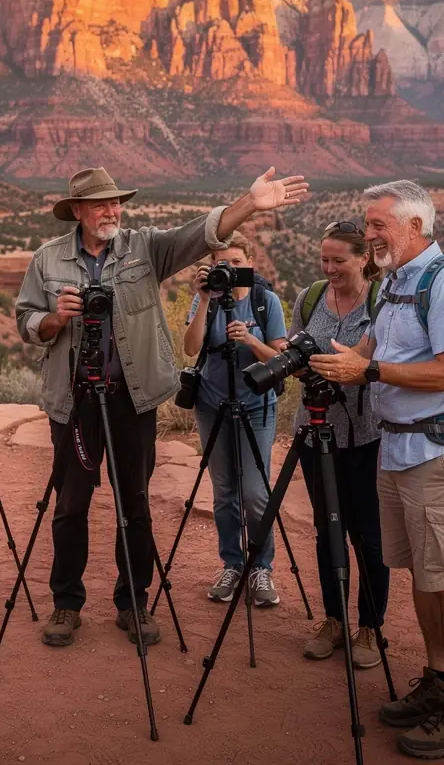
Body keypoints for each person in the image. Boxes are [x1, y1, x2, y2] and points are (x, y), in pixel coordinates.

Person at [15, 165, 308, 649]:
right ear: (79, 212)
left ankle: (133, 602)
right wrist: (52, 319)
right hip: (75, 402)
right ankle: (66, 604)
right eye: (102, 204)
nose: (113, 211)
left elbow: (201, 233)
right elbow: (27, 320)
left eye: (117, 203)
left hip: (133, 399)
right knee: (70, 505)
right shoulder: (47, 260)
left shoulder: (144, 247)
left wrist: (249, 204)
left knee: (135, 504)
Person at [311, 180, 444, 760]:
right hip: (399, 450)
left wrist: (370, 374)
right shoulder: (394, 285)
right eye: (368, 225)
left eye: (378, 225)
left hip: (441, 453)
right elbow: (368, 351)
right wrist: (324, 361)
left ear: (415, 226)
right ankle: (437, 684)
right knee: (420, 573)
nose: (369, 235)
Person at [290, 220, 389, 670]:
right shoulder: (309, 299)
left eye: (339, 260)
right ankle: (333, 620)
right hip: (314, 431)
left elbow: (389, 362)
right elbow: (292, 350)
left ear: (363, 257)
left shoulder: (382, 301)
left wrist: (358, 368)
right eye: (324, 259)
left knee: (368, 536)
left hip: (366, 436)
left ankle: (370, 627)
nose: (329, 268)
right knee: (327, 529)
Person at [183, 231, 288, 606]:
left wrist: (249, 341)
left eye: (236, 263)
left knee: (256, 493)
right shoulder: (207, 300)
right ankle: (232, 563)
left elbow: (278, 362)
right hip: (212, 404)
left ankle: (261, 569)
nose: (229, 270)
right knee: (224, 491)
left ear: (250, 262)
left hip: (256, 404)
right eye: (220, 265)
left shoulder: (265, 301)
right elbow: (191, 347)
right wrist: (203, 297)